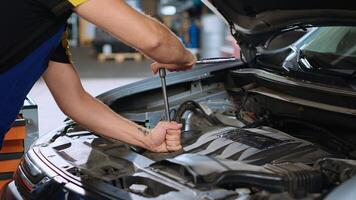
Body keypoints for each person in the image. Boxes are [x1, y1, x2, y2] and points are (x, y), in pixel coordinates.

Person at [0, 0, 196, 152]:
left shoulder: (46, 24)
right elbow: (156, 42)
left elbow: (75, 101)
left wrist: (147, 138)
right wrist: (185, 57)